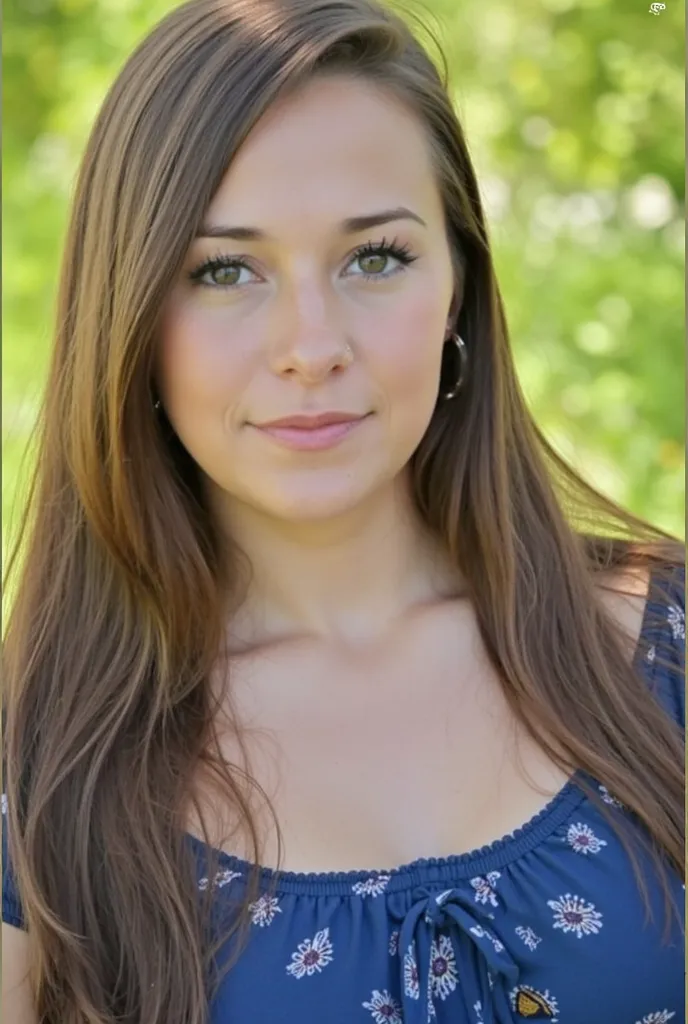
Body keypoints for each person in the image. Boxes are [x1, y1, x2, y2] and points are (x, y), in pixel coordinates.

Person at [1, 0, 684, 1022]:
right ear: (132, 318)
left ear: (458, 284)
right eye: (224, 270)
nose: (310, 344)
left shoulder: (664, 642)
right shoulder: (44, 773)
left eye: (375, 257)